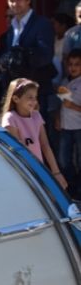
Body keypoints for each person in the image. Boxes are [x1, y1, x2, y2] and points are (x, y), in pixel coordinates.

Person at [0, 78, 67, 189]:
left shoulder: (36, 116)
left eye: (35, 97)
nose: (34, 101)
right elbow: (18, 151)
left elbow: (45, 146)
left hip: (38, 169)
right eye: (30, 97)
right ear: (16, 98)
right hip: (22, 172)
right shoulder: (10, 119)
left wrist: (56, 172)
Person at [57, 49, 81, 190]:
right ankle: (71, 187)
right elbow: (62, 104)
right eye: (71, 64)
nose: (73, 67)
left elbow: (69, 104)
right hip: (66, 127)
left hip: (79, 127)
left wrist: (72, 106)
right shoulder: (64, 81)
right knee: (64, 160)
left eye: (77, 64)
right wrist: (58, 118)